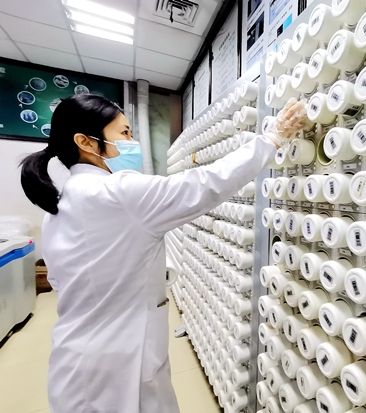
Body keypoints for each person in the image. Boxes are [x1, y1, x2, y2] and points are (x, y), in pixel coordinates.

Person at [20, 93, 306, 413]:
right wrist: (271, 139)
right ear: (85, 142)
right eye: (124, 133)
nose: (133, 142)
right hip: (122, 362)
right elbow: (204, 184)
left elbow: (65, 278)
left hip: (74, 358)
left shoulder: (58, 207)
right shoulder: (119, 192)